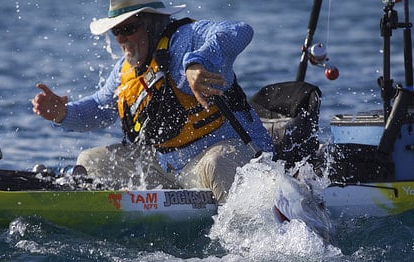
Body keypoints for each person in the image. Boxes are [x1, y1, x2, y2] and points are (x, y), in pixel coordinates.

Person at [31, 0, 272, 202]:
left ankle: (242, 238)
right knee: (90, 161)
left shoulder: (186, 40)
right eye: (117, 31)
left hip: (225, 156)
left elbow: (239, 30)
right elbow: (99, 109)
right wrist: (62, 113)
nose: (122, 38)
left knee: (217, 163)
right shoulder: (123, 72)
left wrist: (198, 62)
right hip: (169, 171)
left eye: (130, 28)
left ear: (152, 24)